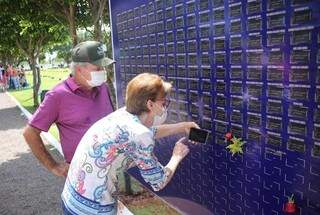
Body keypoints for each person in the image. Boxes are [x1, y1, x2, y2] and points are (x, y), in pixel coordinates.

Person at [61, 73, 199, 215]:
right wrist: (177, 156)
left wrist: (182, 126)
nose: (165, 107)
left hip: (72, 197)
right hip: (93, 209)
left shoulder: (123, 115)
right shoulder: (139, 134)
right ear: (150, 104)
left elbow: (148, 132)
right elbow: (158, 181)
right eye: (164, 103)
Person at [23, 41, 115, 177]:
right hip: (82, 175)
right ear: (79, 69)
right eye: (98, 68)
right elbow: (30, 133)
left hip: (111, 170)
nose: (103, 72)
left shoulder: (103, 88)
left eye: (104, 67)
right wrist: (54, 166)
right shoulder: (58, 96)